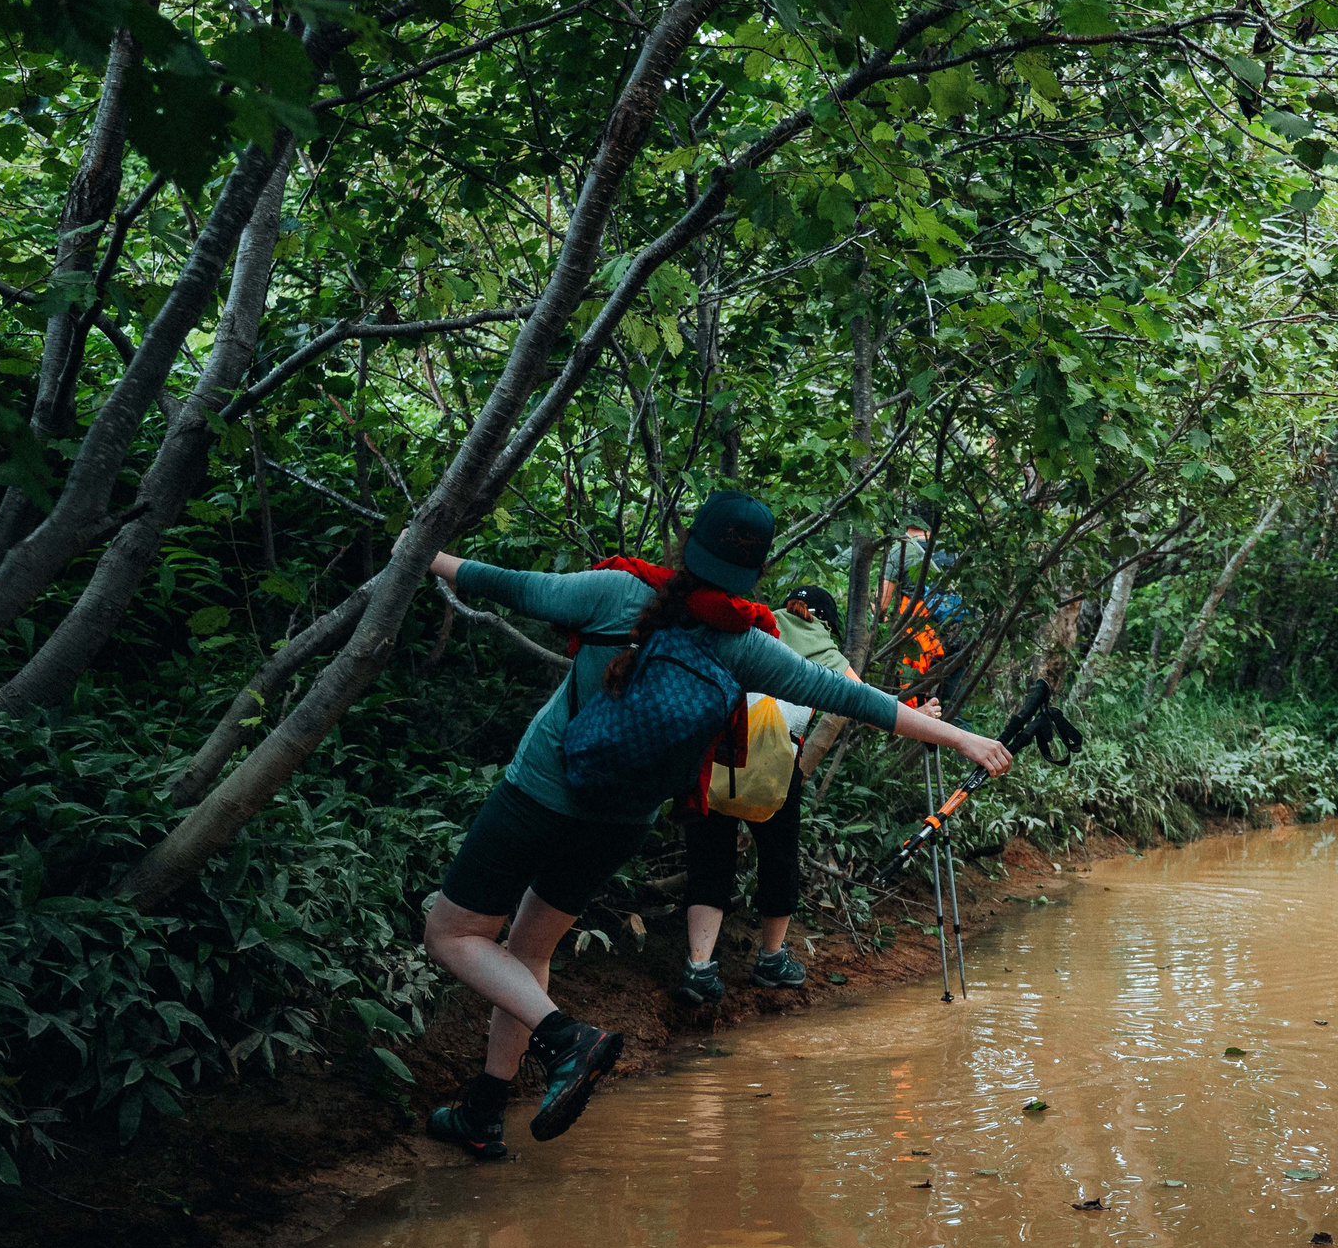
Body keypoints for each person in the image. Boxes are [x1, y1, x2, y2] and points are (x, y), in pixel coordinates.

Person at [419, 492, 1012, 1160]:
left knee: (451, 933)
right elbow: (849, 696)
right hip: (621, 822)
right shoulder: (742, 644)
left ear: (686, 543)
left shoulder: (615, 593)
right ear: (754, 574)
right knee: (527, 951)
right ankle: (485, 1109)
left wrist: (419, 553)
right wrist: (960, 736)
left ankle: (564, 1038)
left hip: (540, 793)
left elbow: (500, 583)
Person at [673, 583, 928, 1004]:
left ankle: (698, 967)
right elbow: (861, 701)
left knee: (709, 860)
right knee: (779, 860)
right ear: (828, 622)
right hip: (775, 767)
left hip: (717, 754)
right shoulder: (823, 645)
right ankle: (771, 960)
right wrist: (916, 715)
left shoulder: (755, 626)